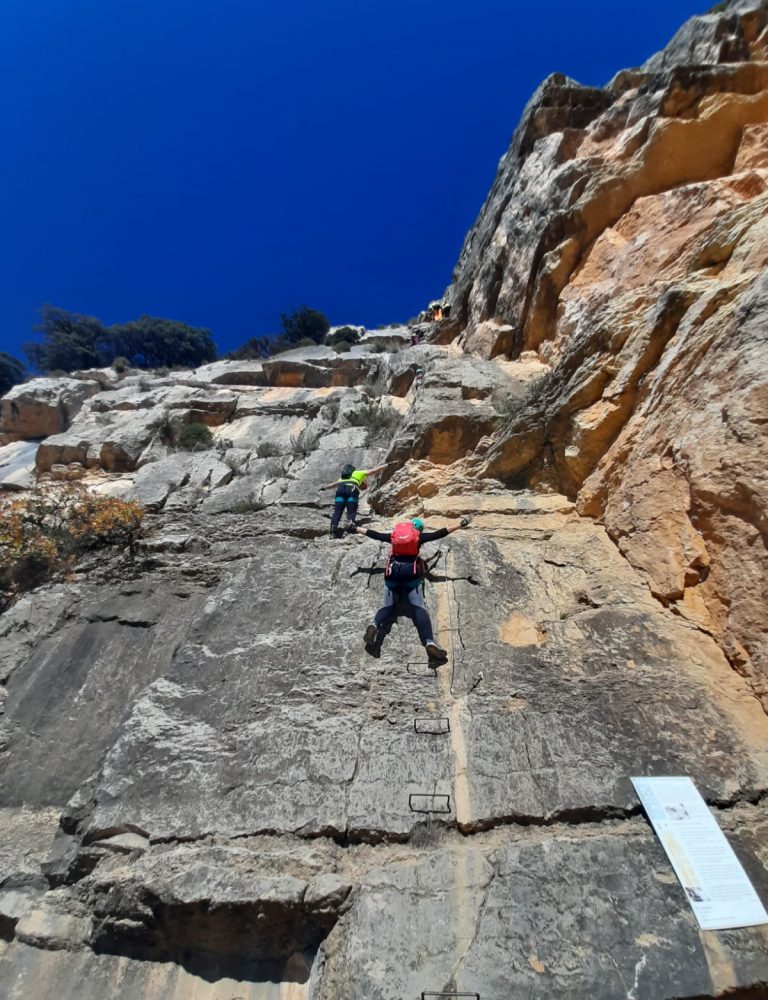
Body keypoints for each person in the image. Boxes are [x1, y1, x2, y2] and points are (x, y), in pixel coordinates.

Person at [350, 516, 470, 660]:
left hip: (393, 575)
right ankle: (429, 642)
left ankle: (374, 624)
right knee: (419, 607)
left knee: (388, 607)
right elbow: (441, 533)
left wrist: (355, 528)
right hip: (411, 576)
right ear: (418, 530)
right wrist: (460, 524)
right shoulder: (419, 537)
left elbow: (375, 534)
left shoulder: (394, 537)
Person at [319, 462, 387, 537]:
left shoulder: (342, 478)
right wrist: (386, 465)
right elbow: (374, 471)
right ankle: (350, 528)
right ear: (353, 470)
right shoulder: (358, 473)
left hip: (340, 491)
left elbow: (332, 485)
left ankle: (332, 532)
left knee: (337, 512)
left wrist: (323, 488)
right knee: (351, 510)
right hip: (351, 490)